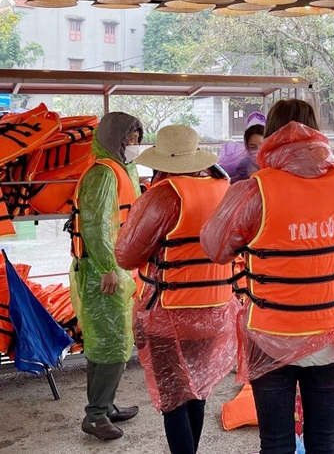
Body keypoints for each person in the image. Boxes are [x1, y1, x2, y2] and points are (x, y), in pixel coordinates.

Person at [201, 99, 334, 454]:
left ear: (271, 135)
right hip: (331, 332)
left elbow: (216, 248)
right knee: (325, 442)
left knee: (276, 444)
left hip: (271, 333)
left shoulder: (254, 190)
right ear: (316, 129)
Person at [115, 125, 239, 454]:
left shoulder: (163, 194)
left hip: (169, 314)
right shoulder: (225, 187)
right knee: (195, 390)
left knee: (174, 402)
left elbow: (126, 256)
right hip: (216, 308)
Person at [68, 112, 143, 441]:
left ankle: (105, 404)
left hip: (119, 269)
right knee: (110, 344)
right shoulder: (102, 174)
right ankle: (96, 416)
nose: (135, 145)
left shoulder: (123, 170)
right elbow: (95, 227)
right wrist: (106, 268)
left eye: (137, 138)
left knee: (108, 342)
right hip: (105, 272)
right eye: (129, 139)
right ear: (115, 140)